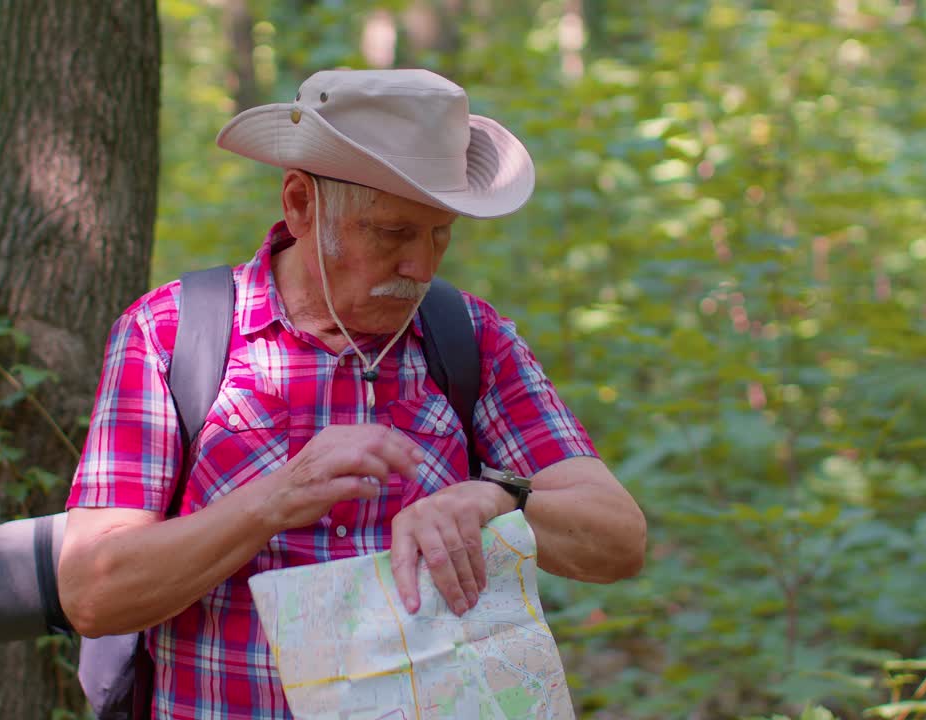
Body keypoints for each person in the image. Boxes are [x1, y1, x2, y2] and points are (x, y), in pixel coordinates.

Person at [58, 68, 647, 719]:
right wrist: (271, 502)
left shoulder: (469, 338)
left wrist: (495, 498)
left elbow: (619, 540)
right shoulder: (175, 335)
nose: (420, 267)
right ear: (301, 204)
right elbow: (91, 592)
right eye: (391, 234)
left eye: (439, 233)